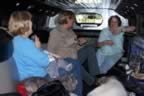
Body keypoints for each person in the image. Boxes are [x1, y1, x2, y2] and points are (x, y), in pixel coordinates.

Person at [8, 11, 59, 81]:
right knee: (73, 64)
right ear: (26, 24)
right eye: (30, 21)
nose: (32, 23)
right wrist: (53, 57)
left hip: (25, 76)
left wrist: (38, 48)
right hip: (36, 78)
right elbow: (44, 62)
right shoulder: (26, 43)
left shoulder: (14, 40)